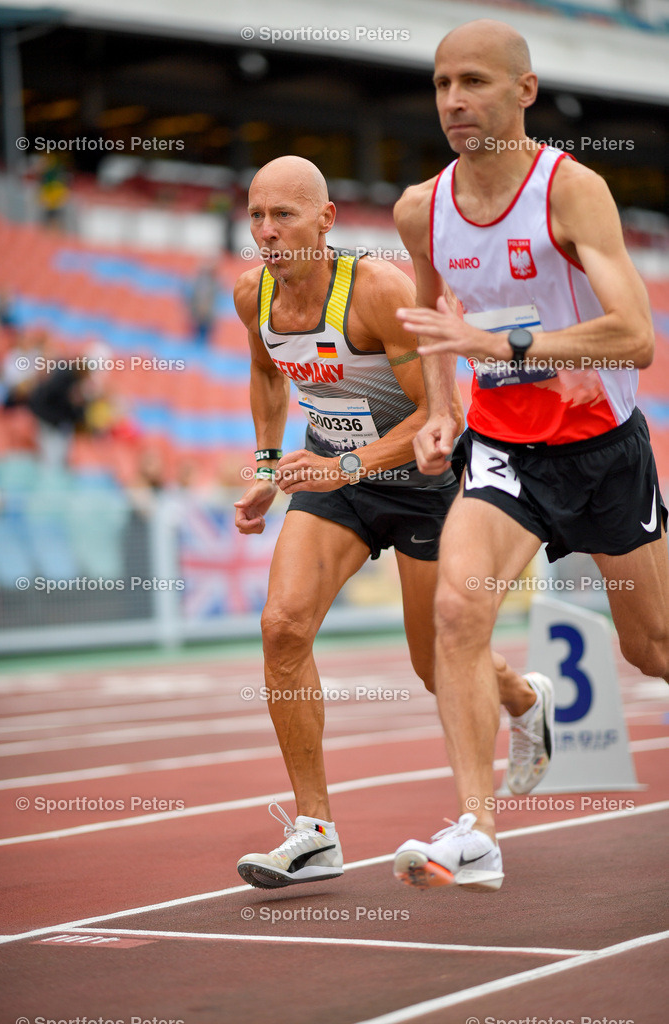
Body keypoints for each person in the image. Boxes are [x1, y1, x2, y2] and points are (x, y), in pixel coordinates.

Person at [391, 19, 669, 893]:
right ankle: (476, 830)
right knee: (456, 617)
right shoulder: (418, 210)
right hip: (506, 453)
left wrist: (506, 345)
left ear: (524, 91)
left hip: (603, 452)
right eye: (440, 84)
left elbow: (634, 338)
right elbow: (435, 327)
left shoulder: (570, 190)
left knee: (652, 646)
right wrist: (440, 410)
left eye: (472, 81)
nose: (452, 101)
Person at [232, 154, 554, 890]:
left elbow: (440, 414)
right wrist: (262, 467)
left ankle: (525, 699)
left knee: (433, 663)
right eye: (255, 215)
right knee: (281, 627)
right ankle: (314, 833)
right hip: (332, 476)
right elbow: (263, 373)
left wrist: (346, 467)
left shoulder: (376, 291)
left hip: (420, 483)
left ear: (325, 220)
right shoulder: (250, 294)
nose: (267, 232)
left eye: (283, 215)